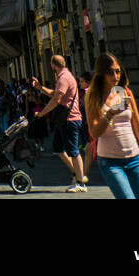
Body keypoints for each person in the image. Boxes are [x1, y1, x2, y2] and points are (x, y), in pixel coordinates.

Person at [85, 53, 139, 199]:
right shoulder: (93, 96)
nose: (115, 76)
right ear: (101, 73)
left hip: (135, 159)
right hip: (110, 162)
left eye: (118, 71)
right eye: (110, 72)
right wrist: (110, 113)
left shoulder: (126, 92)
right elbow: (95, 133)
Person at [31, 55, 87, 192]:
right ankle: (77, 173)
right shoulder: (64, 77)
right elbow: (55, 94)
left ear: (52, 65)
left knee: (73, 151)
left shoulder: (64, 77)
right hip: (63, 120)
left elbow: (56, 99)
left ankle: (81, 183)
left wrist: (42, 113)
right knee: (58, 149)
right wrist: (40, 88)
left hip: (70, 120)